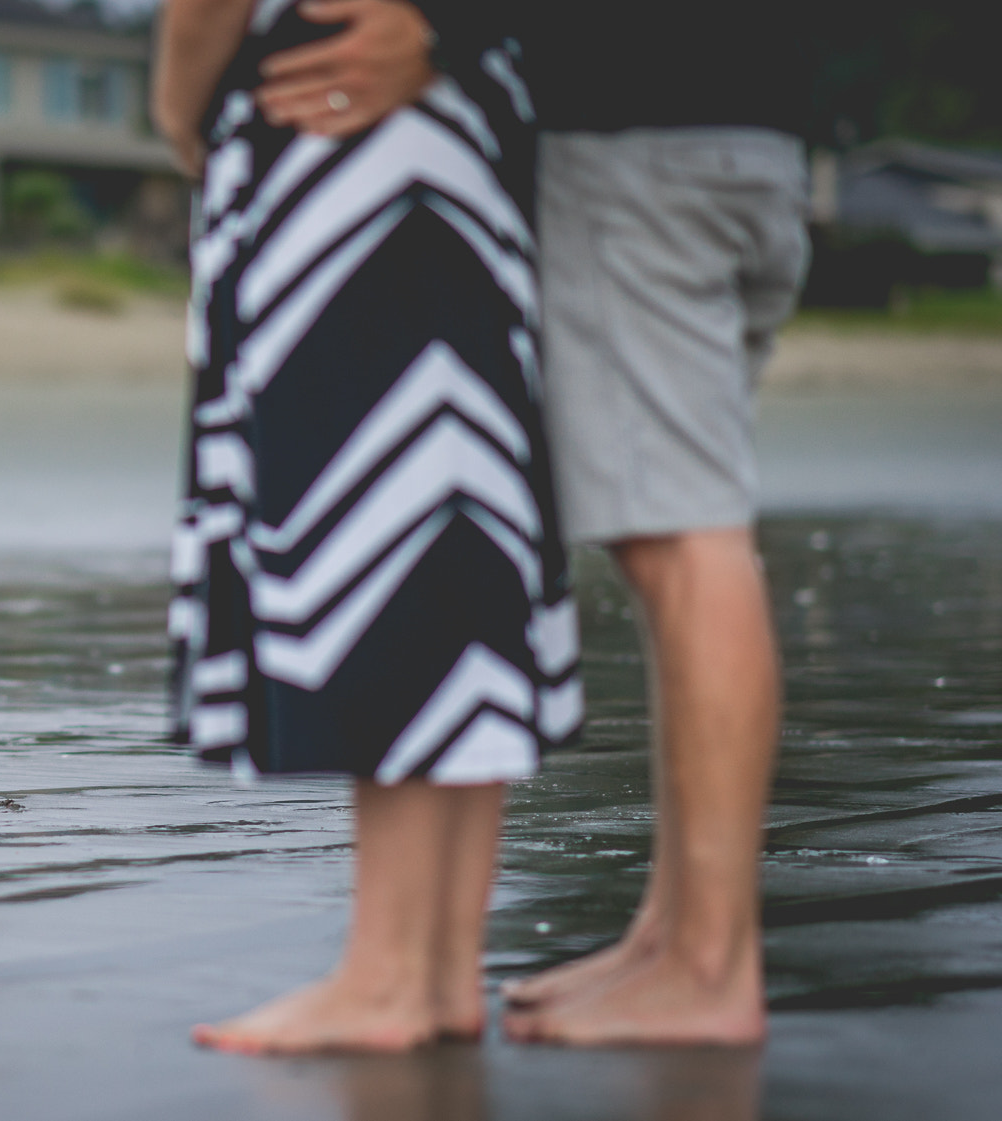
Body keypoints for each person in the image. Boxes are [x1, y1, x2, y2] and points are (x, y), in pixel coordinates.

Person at [249, 1, 811, 1045]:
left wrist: (447, 26)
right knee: (682, 534)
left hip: (641, 144)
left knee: (684, 542)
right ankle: (674, 934)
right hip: (748, 134)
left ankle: (711, 966)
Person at [156, 0, 579, 1052]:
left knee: (376, 518)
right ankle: (436, 965)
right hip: (474, 112)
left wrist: (181, 103)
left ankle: (390, 972)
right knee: (451, 510)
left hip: (338, 118)